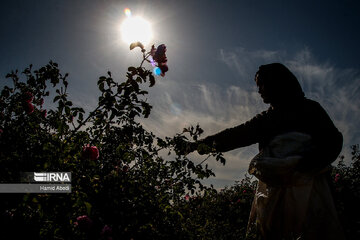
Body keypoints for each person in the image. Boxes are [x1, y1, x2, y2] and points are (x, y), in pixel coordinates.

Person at [188, 63, 345, 239]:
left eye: (262, 84)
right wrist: (198, 145)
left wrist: (305, 163)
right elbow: (235, 135)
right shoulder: (267, 119)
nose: (259, 90)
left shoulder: (309, 109)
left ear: (277, 83)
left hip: (311, 188)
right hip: (276, 191)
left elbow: (334, 140)